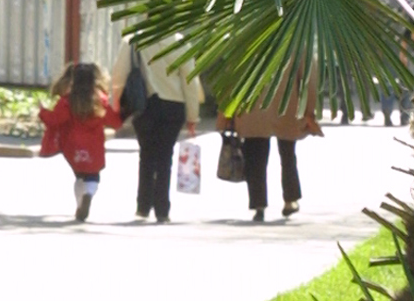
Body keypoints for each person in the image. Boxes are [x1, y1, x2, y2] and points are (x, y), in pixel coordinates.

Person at [109, 32, 201, 223]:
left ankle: (143, 206)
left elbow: (119, 74)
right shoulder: (180, 41)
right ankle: (162, 209)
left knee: (146, 155)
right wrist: (192, 115)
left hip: (145, 105)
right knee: (165, 156)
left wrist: (116, 104)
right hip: (173, 105)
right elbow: (190, 80)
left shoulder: (133, 41)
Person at [219, 69, 321, 223]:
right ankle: (290, 198)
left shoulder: (246, 44)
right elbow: (308, 78)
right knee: (288, 155)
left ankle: (259, 204)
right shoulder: (294, 45)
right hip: (287, 105)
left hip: (253, 107)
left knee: (256, 157)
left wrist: (225, 113)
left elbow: (233, 74)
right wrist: (309, 112)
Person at [38, 61, 121, 221]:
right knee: (93, 177)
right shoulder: (100, 100)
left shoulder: (67, 101)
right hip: (94, 146)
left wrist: (42, 112)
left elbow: (54, 120)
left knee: (79, 177)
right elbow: (114, 121)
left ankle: (79, 205)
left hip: (72, 147)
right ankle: (88, 195)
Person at [381, 0, 414, 126]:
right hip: (406, 45)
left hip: (387, 43)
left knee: (388, 79)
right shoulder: (412, 1)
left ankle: (387, 113)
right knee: (405, 80)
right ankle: (405, 113)